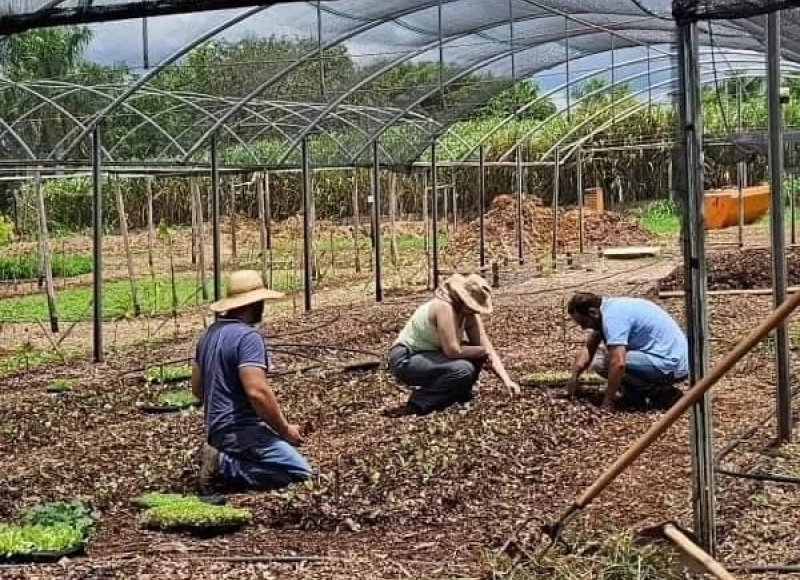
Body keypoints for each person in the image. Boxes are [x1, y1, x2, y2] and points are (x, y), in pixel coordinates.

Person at [192, 270, 312, 494]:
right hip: (239, 431)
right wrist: (285, 430)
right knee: (301, 473)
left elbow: (198, 390)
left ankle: (222, 458)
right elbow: (257, 392)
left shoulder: (208, 335)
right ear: (254, 304)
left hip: (215, 430)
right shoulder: (248, 338)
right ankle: (224, 465)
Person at [388, 273, 519, 415]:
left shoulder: (469, 314)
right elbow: (452, 351)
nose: (475, 311)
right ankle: (419, 403)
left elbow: (487, 348)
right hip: (406, 358)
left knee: (475, 355)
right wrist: (482, 351)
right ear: (462, 299)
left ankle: (459, 393)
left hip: (431, 355)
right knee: (463, 368)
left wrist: (506, 380)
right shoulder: (444, 307)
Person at [566, 292, 689, 413]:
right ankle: (635, 395)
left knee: (603, 363)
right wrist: (574, 377)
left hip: (671, 364)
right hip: (668, 359)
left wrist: (608, 402)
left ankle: (662, 393)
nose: (583, 328)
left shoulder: (613, 318)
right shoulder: (608, 310)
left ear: (593, 312)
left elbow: (619, 363)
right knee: (606, 357)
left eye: (584, 323)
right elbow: (589, 347)